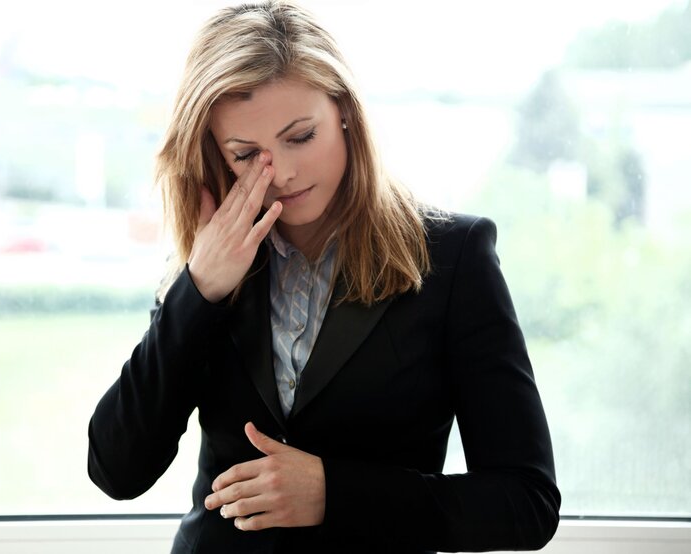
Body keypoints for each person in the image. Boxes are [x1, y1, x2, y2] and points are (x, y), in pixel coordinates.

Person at [87, 1, 561, 552]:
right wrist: (200, 290)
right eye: (246, 154)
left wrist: (334, 494)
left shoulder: (454, 257)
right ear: (216, 154)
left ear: (344, 111)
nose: (282, 173)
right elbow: (117, 470)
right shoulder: (209, 263)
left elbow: (525, 503)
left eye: (300, 137)